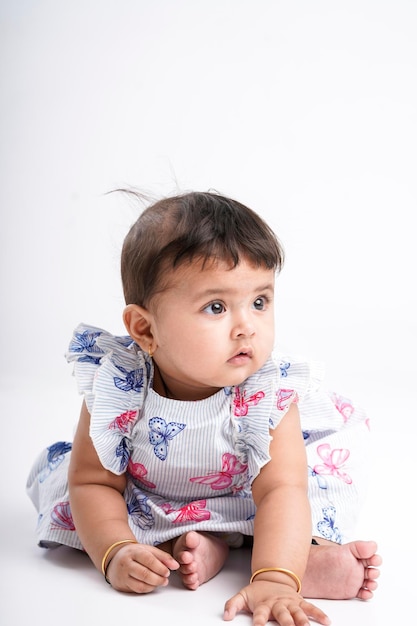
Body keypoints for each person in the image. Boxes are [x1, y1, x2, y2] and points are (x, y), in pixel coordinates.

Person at [27, 190, 381, 626]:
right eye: (216, 307)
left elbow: (280, 491)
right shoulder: (117, 384)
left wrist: (275, 580)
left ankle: (299, 558)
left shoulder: (267, 392)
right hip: (153, 494)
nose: (246, 327)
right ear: (145, 328)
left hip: (248, 494)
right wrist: (115, 551)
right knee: (66, 487)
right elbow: (93, 482)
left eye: (259, 302)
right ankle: (196, 541)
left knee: (322, 474)